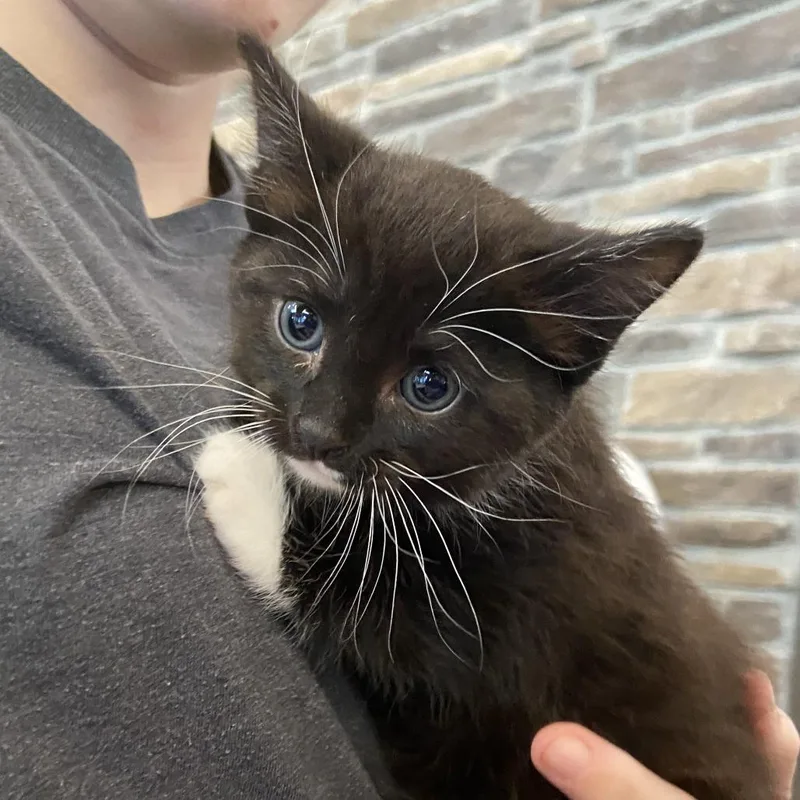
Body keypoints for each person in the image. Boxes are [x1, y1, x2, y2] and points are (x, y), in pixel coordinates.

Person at [0, 1, 796, 797]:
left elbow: (474, 645)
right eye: (301, 324)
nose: (316, 430)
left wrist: (296, 571)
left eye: (426, 385)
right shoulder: (304, 215)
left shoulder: (546, 503)